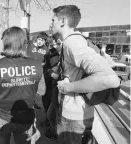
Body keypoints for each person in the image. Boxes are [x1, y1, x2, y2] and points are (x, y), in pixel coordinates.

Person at [49, 5, 120, 144]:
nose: (50, 24)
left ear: (62, 21)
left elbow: (111, 78)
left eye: (53, 20)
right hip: (82, 113)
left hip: (73, 117)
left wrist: (67, 87)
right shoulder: (79, 40)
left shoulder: (72, 43)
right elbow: (109, 63)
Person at [0, 26, 46, 144]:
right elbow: (41, 91)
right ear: (23, 42)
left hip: (0, 118)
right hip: (26, 118)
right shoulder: (36, 65)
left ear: (5, 42)